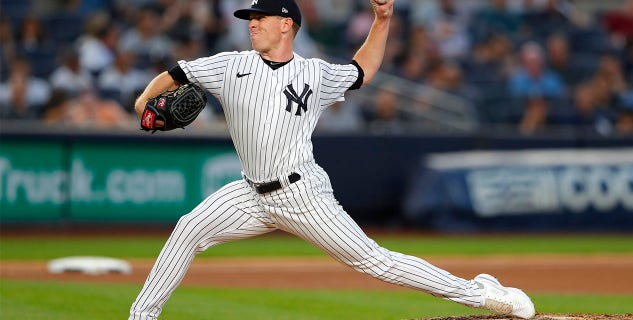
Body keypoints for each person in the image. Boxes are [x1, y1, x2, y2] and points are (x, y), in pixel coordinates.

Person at [128, 1, 535, 319]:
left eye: (261, 17)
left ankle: (481, 294)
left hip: (301, 193)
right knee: (188, 229)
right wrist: (144, 101)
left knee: (375, 261)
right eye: (249, 18)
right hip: (250, 193)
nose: (251, 23)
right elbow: (177, 73)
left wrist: (382, 20)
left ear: (286, 24)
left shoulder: (314, 73)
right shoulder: (229, 65)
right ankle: (141, 317)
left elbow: (362, 71)